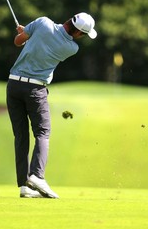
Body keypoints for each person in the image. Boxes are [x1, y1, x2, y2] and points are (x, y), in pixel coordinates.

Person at [6, 12, 97, 198]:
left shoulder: (42, 23)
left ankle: (25, 186)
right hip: (35, 90)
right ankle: (37, 176)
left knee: (21, 135)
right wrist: (31, 34)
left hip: (13, 85)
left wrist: (27, 32)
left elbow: (18, 41)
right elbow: (45, 41)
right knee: (42, 133)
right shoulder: (71, 47)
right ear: (79, 33)